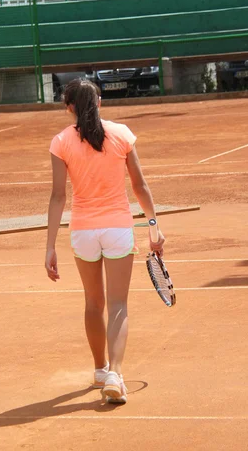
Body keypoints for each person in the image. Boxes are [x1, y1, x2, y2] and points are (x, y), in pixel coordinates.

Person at [45, 78, 165, 404]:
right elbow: (140, 186)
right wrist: (154, 227)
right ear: (99, 103)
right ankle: (115, 372)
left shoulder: (61, 142)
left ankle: (100, 369)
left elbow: (58, 197)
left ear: (69, 107)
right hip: (117, 230)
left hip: (82, 232)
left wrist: (50, 246)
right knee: (118, 305)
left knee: (92, 304)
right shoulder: (122, 134)